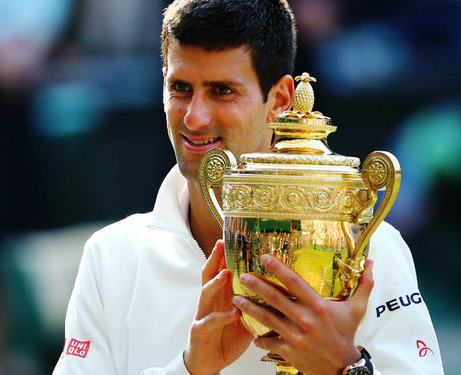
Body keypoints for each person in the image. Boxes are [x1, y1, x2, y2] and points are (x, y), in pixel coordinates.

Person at [53, 0, 445, 374]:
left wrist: (343, 366)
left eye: (222, 91)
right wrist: (192, 368)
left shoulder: (372, 245)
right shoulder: (111, 255)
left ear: (279, 100)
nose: (194, 117)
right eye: (180, 88)